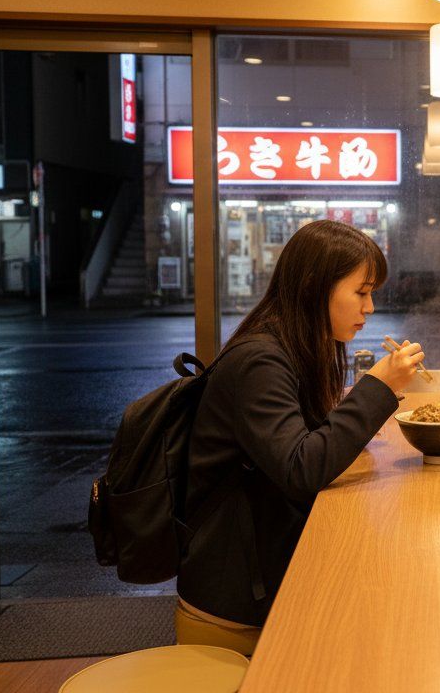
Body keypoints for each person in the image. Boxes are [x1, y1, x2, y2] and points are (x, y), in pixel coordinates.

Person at [175, 219, 425, 654]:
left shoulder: (295, 344)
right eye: (361, 292)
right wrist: (378, 387)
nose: (369, 307)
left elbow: (307, 439)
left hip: (267, 565)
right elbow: (301, 467)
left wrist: (361, 408)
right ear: (315, 286)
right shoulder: (261, 359)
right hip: (238, 593)